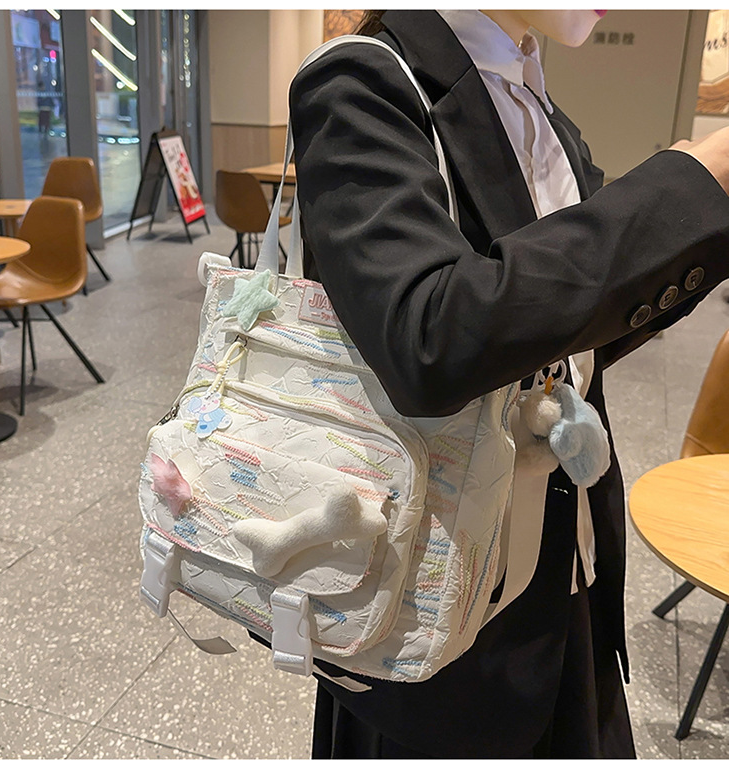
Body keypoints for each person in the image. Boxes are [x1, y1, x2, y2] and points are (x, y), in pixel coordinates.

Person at [288, 9, 729, 759]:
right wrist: (687, 189)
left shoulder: (535, 103)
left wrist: (688, 224)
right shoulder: (361, 80)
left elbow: (563, 327)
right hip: (435, 601)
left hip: (563, 564)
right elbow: (427, 338)